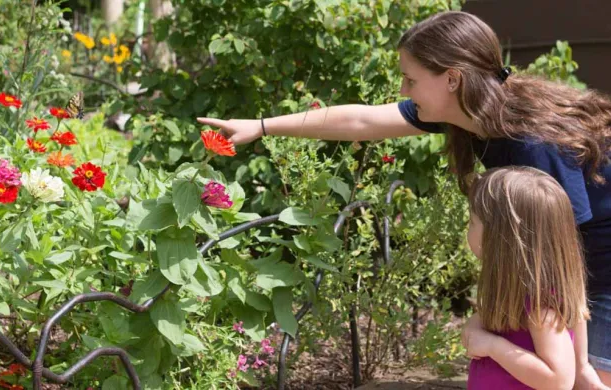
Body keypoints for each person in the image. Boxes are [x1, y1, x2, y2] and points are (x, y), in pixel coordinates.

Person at [197, 10, 611, 389]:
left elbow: (564, 256)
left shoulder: (531, 144)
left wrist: (580, 364)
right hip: (571, 268)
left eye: (411, 80)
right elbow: (361, 119)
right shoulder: (473, 110)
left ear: (452, 79)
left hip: (597, 264)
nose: (402, 89)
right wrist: (261, 126)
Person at [462, 167, 588, 389]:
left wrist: (493, 346)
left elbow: (558, 381)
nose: (467, 229)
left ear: (500, 238)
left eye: (472, 222)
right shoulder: (513, 290)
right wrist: (475, 328)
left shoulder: (540, 307)